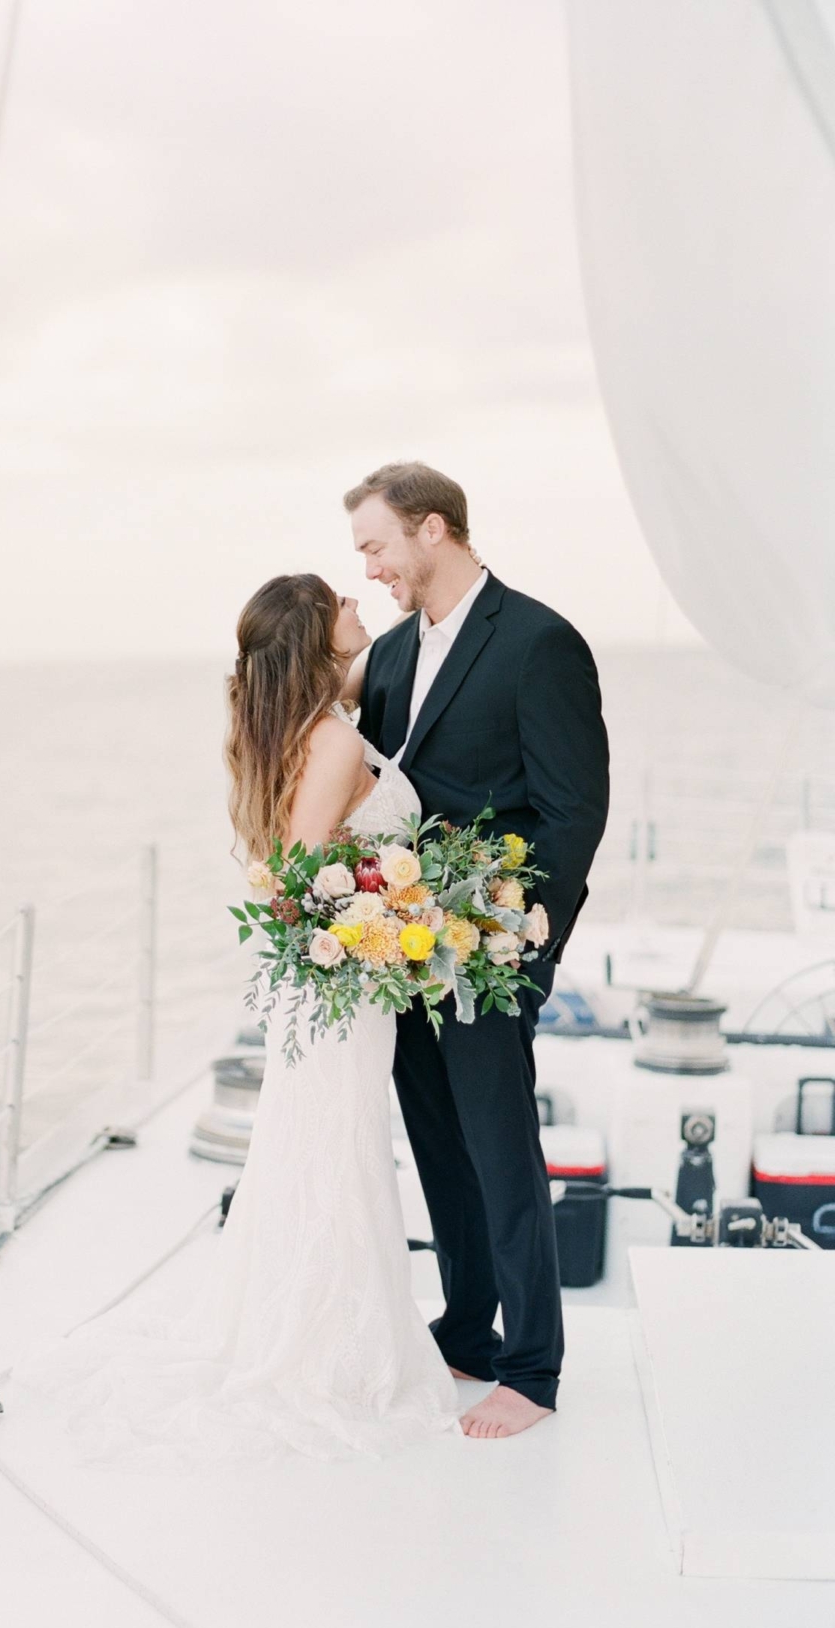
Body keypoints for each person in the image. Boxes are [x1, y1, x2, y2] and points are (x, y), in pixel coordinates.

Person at [9, 571, 464, 1462]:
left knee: (327, 1147)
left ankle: (325, 1331)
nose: (359, 612)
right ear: (318, 636)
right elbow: (302, 881)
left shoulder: (300, 733)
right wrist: (398, 918)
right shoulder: (331, 742)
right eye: (344, 605)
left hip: (339, 985)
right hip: (347, 985)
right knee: (338, 1149)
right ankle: (330, 1353)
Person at [344, 460, 610, 1437]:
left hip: (492, 951)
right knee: (439, 1147)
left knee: (502, 1152)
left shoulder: (539, 642)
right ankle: (465, 1327)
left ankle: (532, 1368)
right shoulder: (392, 654)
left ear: (434, 530)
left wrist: (519, 945)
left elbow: (573, 813)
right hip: (397, 945)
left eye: (376, 545)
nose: (370, 568)